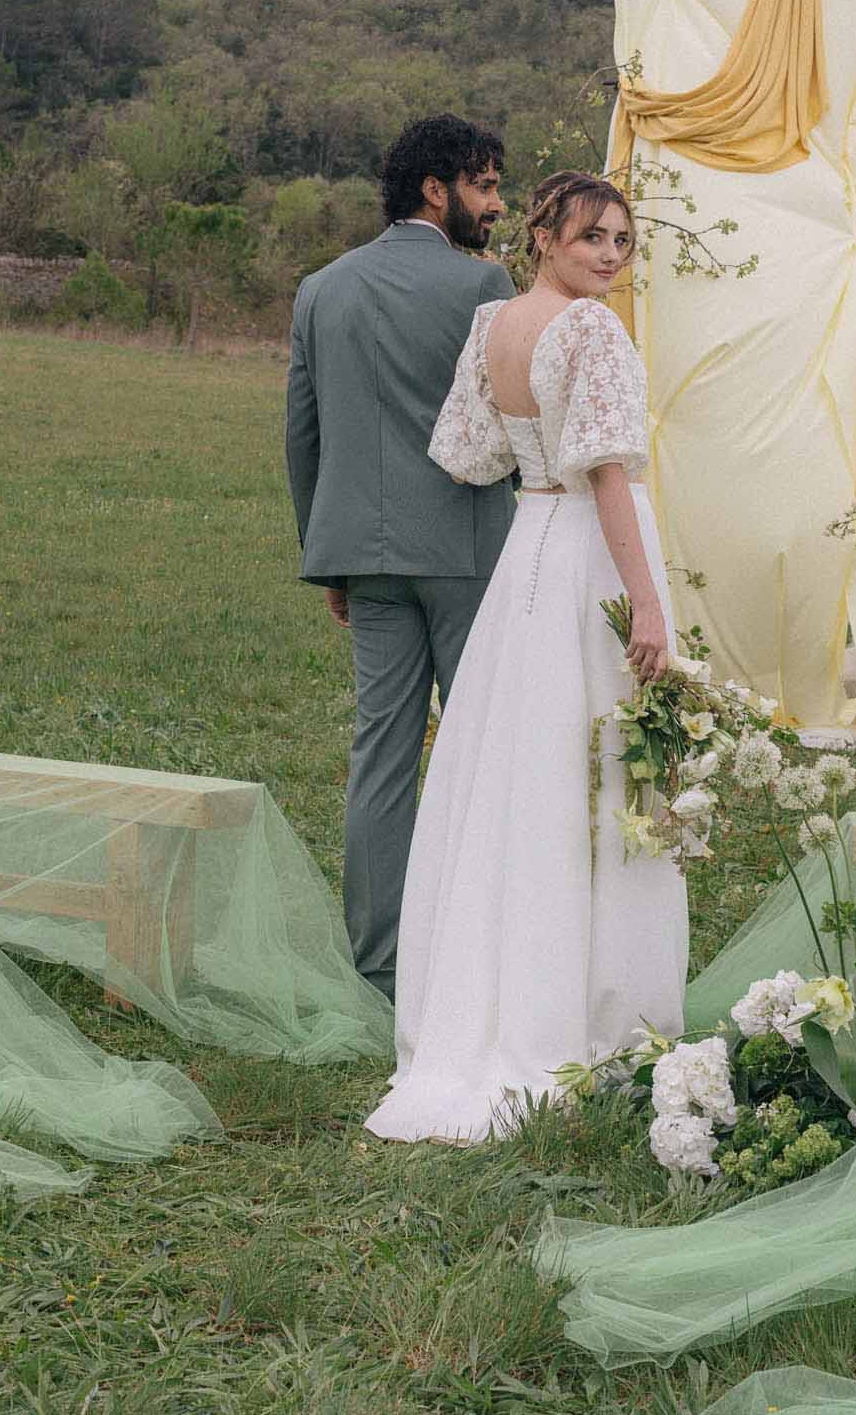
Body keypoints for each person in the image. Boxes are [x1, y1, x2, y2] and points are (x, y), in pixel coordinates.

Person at [365, 172, 689, 1143]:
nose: (609, 255)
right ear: (545, 235)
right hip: (588, 550)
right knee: (600, 771)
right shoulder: (590, 329)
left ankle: (498, 1000)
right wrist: (644, 603)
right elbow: (607, 471)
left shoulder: (494, 325)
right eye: (592, 236)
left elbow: (471, 455)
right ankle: (590, 1016)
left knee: (522, 772)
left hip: (528, 548)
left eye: (622, 241)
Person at [285, 114, 516, 1004]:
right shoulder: (483, 284)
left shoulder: (321, 289)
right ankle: (472, 953)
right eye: (484, 186)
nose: (496, 205)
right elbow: (506, 419)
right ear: (434, 188)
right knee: (478, 751)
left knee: (380, 754)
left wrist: (329, 558)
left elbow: (302, 436)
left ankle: (380, 968)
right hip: (466, 550)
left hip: (364, 555)